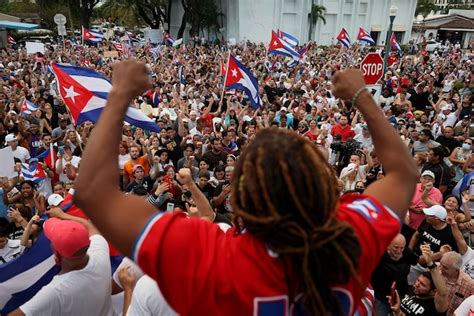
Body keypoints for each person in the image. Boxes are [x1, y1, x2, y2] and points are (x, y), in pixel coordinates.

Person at [74, 62, 418, 314]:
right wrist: (361, 95)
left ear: (240, 201)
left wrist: (119, 93)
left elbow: (91, 193)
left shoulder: (212, 259)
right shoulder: (355, 235)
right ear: (327, 189)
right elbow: (403, 172)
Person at [9, 208, 112, 315]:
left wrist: (62, 215)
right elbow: (90, 226)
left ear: (57, 256)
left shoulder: (56, 291)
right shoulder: (100, 251)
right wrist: (63, 215)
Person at [390, 244, 448, 316]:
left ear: (433, 291)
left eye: (422, 285)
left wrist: (430, 263)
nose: (417, 285)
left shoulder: (435, 307)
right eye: (418, 280)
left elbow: (443, 293)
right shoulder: (413, 291)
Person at [371, 234, 419, 315]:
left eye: (402, 248)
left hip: (401, 296)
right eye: (396, 247)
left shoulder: (407, 252)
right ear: (388, 245)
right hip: (381, 297)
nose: (399, 251)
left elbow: (417, 261)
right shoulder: (379, 253)